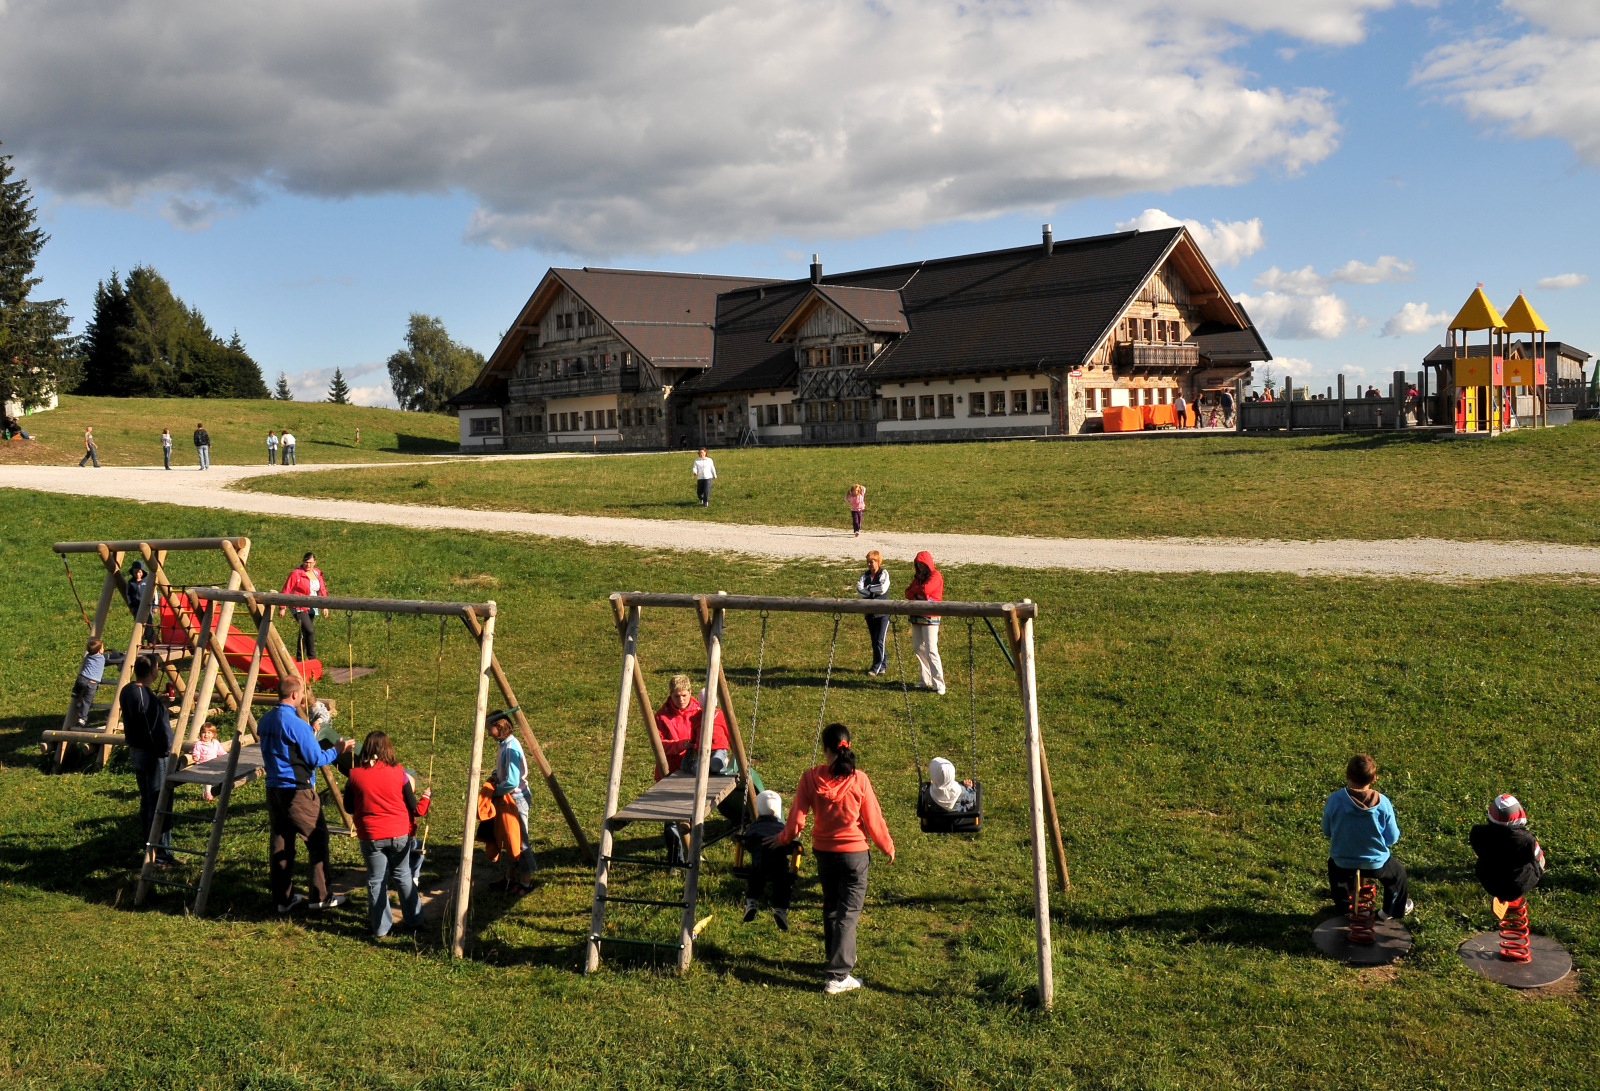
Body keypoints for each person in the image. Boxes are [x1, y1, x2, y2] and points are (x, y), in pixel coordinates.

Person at [770, 722, 895, 994]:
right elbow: (873, 819)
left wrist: (781, 840)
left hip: (825, 853)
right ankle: (838, 976)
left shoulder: (810, 777)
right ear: (848, 745)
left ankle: (836, 958)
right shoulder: (859, 779)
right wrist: (887, 845)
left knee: (832, 908)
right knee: (848, 913)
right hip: (855, 855)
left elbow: (795, 823)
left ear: (824, 749)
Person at [258, 676, 352, 912]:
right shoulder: (296, 724)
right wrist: (337, 750)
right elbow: (315, 758)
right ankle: (320, 896)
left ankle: (283, 899)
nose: (302, 697)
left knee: (281, 843)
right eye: (301, 693)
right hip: (297, 791)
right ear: (294, 695)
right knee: (317, 840)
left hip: (273, 789)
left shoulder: (265, 720)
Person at [343, 730, 431, 937]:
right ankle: (415, 920)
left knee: (376, 879)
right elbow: (411, 805)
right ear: (387, 749)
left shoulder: (354, 775)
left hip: (371, 834)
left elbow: (348, 807)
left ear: (366, 749)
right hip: (399, 833)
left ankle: (381, 928)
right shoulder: (398, 772)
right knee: (403, 875)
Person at [1321, 753, 1411, 920]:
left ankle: (1344, 908)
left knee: (1335, 874)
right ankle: (1390, 911)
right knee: (1398, 875)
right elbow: (1392, 838)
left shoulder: (1334, 800)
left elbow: (1327, 831)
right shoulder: (1383, 803)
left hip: (1342, 861)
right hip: (1375, 863)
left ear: (1347, 775)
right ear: (1374, 778)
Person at [121, 655, 177, 867]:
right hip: (152, 755)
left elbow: (143, 713)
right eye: (157, 667)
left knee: (148, 801)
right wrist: (164, 750)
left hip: (138, 751)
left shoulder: (130, 690)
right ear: (153, 670)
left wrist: (159, 702)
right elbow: (149, 726)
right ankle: (160, 854)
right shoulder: (142, 694)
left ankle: (150, 847)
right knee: (159, 802)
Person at [485, 711, 538, 893]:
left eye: (489, 729)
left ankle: (526, 881)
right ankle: (510, 877)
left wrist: (496, 792)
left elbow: (512, 781)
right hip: (510, 799)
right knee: (510, 840)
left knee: (520, 841)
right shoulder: (504, 745)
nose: (488, 733)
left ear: (499, 726)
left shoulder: (510, 748)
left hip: (516, 799)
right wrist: (495, 774)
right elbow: (505, 771)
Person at [1469, 793, 1547, 905]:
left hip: (1489, 881)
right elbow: (1537, 856)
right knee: (1540, 860)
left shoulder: (1477, 832)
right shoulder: (1526, 839)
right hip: (1518, 886)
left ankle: (1501, 894)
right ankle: (1511, 895)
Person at [739, 790, 794, 929]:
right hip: (779, 866)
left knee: (755, 878)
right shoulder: (782, 828)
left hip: (758, 864)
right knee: (783, 883)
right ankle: (780, 909)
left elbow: (748, 844)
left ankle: (751, 902)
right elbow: (789, 847)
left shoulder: (754, 827)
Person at [905, 550, 945, 695]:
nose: (920, 566)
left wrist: (918, 592)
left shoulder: (936, 575)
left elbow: (927, 589)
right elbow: (907, 592)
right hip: (916, 616)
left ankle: (939, 683)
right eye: (918, 564)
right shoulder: (918, 577)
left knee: (931, 649)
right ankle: (924, 679)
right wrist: (919, 593)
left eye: (922, 564)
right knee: (918, 648)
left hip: (931, 616)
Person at [279, 552, 328, 661]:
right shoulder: (296, 573)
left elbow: (322, 589)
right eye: (306, 562)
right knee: (309, 630)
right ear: (303, 562)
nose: (308, 565)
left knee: (304, 631)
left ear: (315, 562)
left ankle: (299, 659)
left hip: (312, 606)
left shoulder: (317, 573)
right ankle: (312, 658)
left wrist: (325, 605)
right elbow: (286, 589)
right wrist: (282, 607)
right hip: (298, 606)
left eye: (310, 562)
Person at [857, 550, 890, 675]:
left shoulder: (884, 573)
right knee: (874, 640)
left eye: (872, 562)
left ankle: (875, 667)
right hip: (869, 612)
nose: (870, 564)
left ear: (878, 562)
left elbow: (882, 588)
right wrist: (872, 590)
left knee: (879, 640)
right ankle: (883, 665)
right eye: (868, 562)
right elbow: (859, 590)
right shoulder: (864, 575)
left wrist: (869, 589)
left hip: (882, 612)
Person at [68, 638, 107, 730]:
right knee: (86, 701)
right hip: (92, 683)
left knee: (79, 681)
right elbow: (113, 657)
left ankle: (75, 692)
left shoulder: (88, 657)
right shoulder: (103, 657)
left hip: (82, 678)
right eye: (103, 647)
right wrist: (117, 653)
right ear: (100, 650)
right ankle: (82, 718)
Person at [190, 721, 225, 801]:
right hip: (202, 765)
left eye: (209, 733)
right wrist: (196, 756)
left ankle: (204, 794)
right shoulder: (199, 744)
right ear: (200, 734)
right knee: (208, 778)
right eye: (204, 732)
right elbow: (196, 752)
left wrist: (226, 756)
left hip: (213, 764)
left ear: (213, 734)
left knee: (207, 781)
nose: (206, 735)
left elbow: (220, 751)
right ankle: (208, 793)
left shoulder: (215, 743)